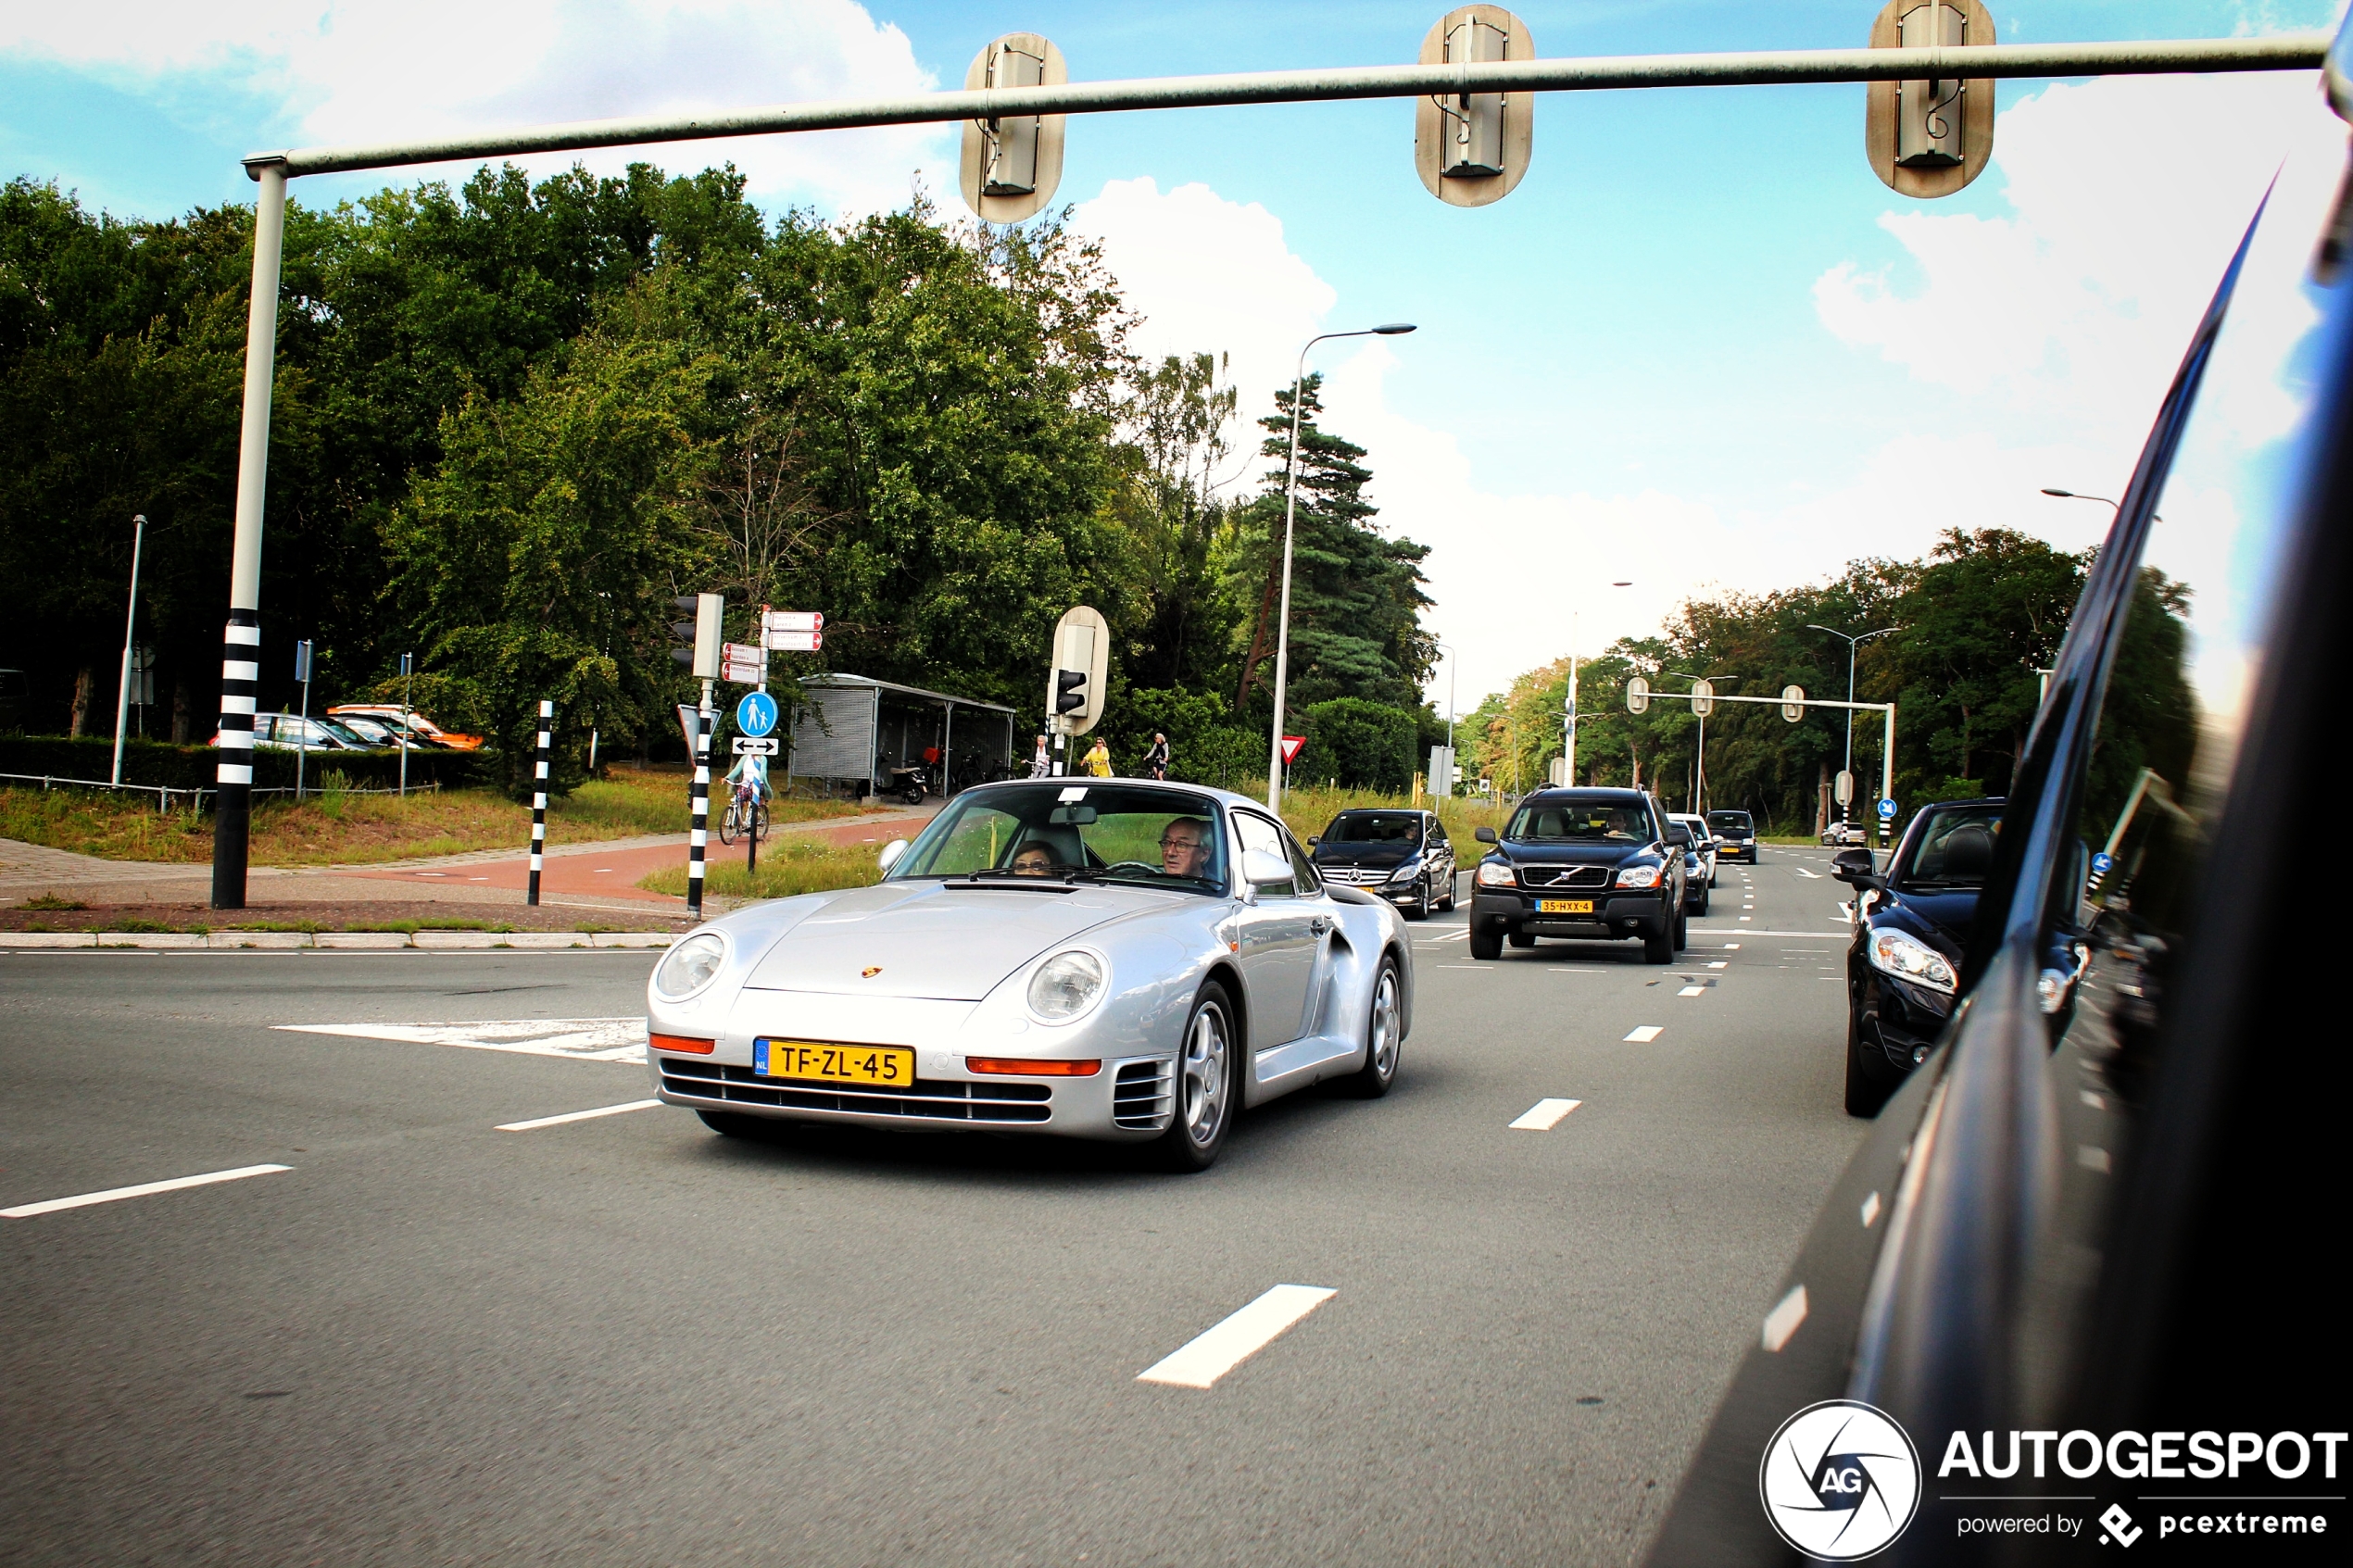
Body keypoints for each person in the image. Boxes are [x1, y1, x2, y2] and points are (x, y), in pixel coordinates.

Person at [1159, 816, 1213, 880]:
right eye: (1166, 843)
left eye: (1181, 845)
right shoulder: (1152, 883)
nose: (1170, 852)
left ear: (1204, 854)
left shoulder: (1216, 887)